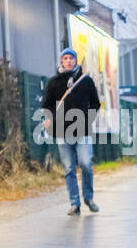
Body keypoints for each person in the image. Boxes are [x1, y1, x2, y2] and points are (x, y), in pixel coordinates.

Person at [41, 47, 102, 215]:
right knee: (69, 168)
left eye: (71, 58)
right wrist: (48, 118)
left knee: (86, 164)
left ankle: (88, 198)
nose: (68, 61)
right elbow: (47, 104)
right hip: (61, 130)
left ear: (76, 61)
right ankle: (75, 204)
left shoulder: (86, 81)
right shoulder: (54, 82)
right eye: (65, 58)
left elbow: (95, 104)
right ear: (61, 61)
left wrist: (87, 120)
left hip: (82, 131)